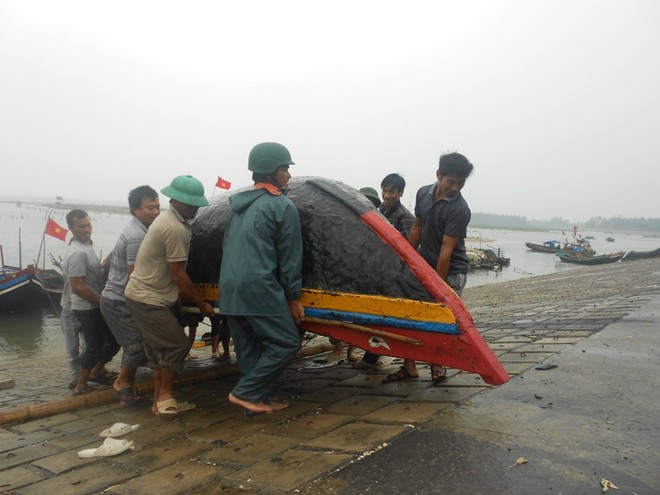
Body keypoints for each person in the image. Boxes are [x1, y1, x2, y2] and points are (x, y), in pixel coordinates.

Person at [220, 142, 304, 415]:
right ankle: (245, 392)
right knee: (287, 342)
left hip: (230, 289)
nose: (289, 175)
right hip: (259, 287)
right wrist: (293, 296)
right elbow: (290, 257)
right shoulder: (282, 206)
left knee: (249, 349)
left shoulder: (236, 208)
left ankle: (255, 402)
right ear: (271, 172)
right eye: (284, 169)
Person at [125, 175, 215, 415]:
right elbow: (179, 275)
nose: (195, 209)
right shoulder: (175, 228)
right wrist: (200, 303)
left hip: (144, 294)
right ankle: (165, 394)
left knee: (158, 351)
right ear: (176, 201)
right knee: (176, 345)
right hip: (147, 297)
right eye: (191, 204)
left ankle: (160, 403)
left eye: (197, 204)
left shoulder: (168, 219)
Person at [382, 152, 473, 384]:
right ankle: (409, 366)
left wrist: (438, 285)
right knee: (409, 315)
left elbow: (447, 249)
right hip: (425, 265)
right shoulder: (423, 193)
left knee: (442, 318)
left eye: (461, 182)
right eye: (451, 181)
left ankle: (437, 365)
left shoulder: (459, 209)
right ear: (438, 175)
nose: (455, 187)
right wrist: (406, 261)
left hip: (450, 271)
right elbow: (417, 228)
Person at [100, 185, 160, 406]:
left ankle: (126, 389)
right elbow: (135, 275)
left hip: (123, 297)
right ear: (135, 209)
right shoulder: (136, 235)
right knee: (135, 344)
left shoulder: (144, 229)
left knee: (137, 344)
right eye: (149, 208)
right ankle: (121, 383)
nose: (154, 212)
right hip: (118, 300)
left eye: (157, 207)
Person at [357, 174, 415, 369]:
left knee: (387, 319)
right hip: (378, 272)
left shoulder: (405, 217)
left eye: (392, 191)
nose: (387, 195)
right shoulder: (380, 211)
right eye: (385, 190)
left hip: (394, 275)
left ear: (400, 193)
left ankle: (374, 356)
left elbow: (409, 250)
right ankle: (372, 354)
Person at [62, 209, 120, 395]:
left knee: (110, 340)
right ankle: (81, 384)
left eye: (88, 225)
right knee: (93, 347)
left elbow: (89, 274)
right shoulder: (77, 253)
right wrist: (102, 300)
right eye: (81, 226)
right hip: (87, 308)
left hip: (94, 306)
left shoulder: (86, 245)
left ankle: (96, 371)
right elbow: (78, 286)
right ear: (71, 228)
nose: (87, 229)